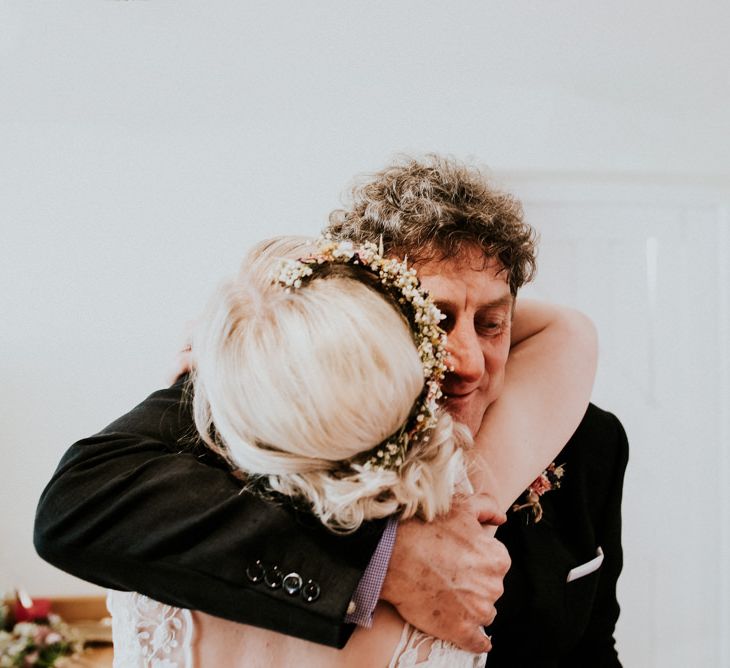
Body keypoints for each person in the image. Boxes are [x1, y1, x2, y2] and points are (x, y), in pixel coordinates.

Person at [35, 155, 627, 665]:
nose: (468, 361)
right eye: (433, 319)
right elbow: (76, 507)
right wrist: (381, 561)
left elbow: (591, 651)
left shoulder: (588, 438)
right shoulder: (253, 410)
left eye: (493, 322)